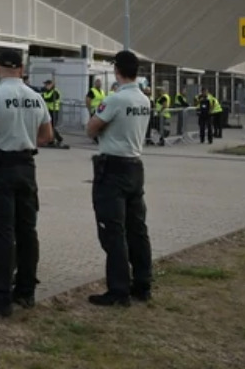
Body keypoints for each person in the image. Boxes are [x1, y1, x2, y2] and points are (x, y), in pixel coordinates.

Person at [0, 48, 54, 316]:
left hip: (1, 168)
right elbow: (47, 136)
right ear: (21, 68)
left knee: (2, 233)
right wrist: (25, 143)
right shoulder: (35, 96)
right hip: (26, 167)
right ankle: (26, 292)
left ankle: (1, 295)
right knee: (27, 231)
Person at [85, 50, 153, 306]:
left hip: (112, 168)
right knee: (137, 229)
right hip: (135, 166)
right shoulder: (144, 100)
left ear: (117, 70)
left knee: (113, 232)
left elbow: (91, 127)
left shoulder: (115, 99)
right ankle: (143, 284)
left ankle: (118, 290)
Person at [41, 79, 68, 148]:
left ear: (51, 85)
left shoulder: (55, 92)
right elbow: (42, 98)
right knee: (48, 126)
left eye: (47, 84)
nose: (45, 86)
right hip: (47, 110)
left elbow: (49, 99)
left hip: (54, 111)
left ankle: (58, 139)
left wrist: (42, 97)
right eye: (45, 84)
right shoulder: (46, 92)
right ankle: (51, 140)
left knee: (51, 126)